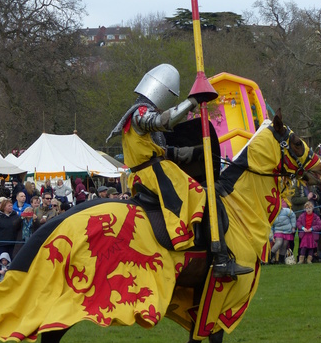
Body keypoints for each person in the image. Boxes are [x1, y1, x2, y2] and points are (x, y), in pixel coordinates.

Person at [107, 63, 252, 278]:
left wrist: (195, 152)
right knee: (206, 196)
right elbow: (164, 121)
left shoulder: (135, 114)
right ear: (163, 91)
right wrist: (192, 101)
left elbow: (160, 151)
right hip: (156, 175)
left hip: (149, 172)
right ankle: (221, 261)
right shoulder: (140, 113)